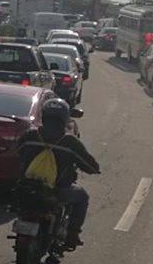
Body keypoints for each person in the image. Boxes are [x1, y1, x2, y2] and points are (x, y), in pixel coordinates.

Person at [17, 98, 100, 248]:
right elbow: (90, 166)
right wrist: (95, 169)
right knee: (82, 197)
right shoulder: (69, 141)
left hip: (27, 187)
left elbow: (18, 152)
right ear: (64, 118)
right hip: (57, 190)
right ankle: (72, 235)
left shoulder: (30, 135)